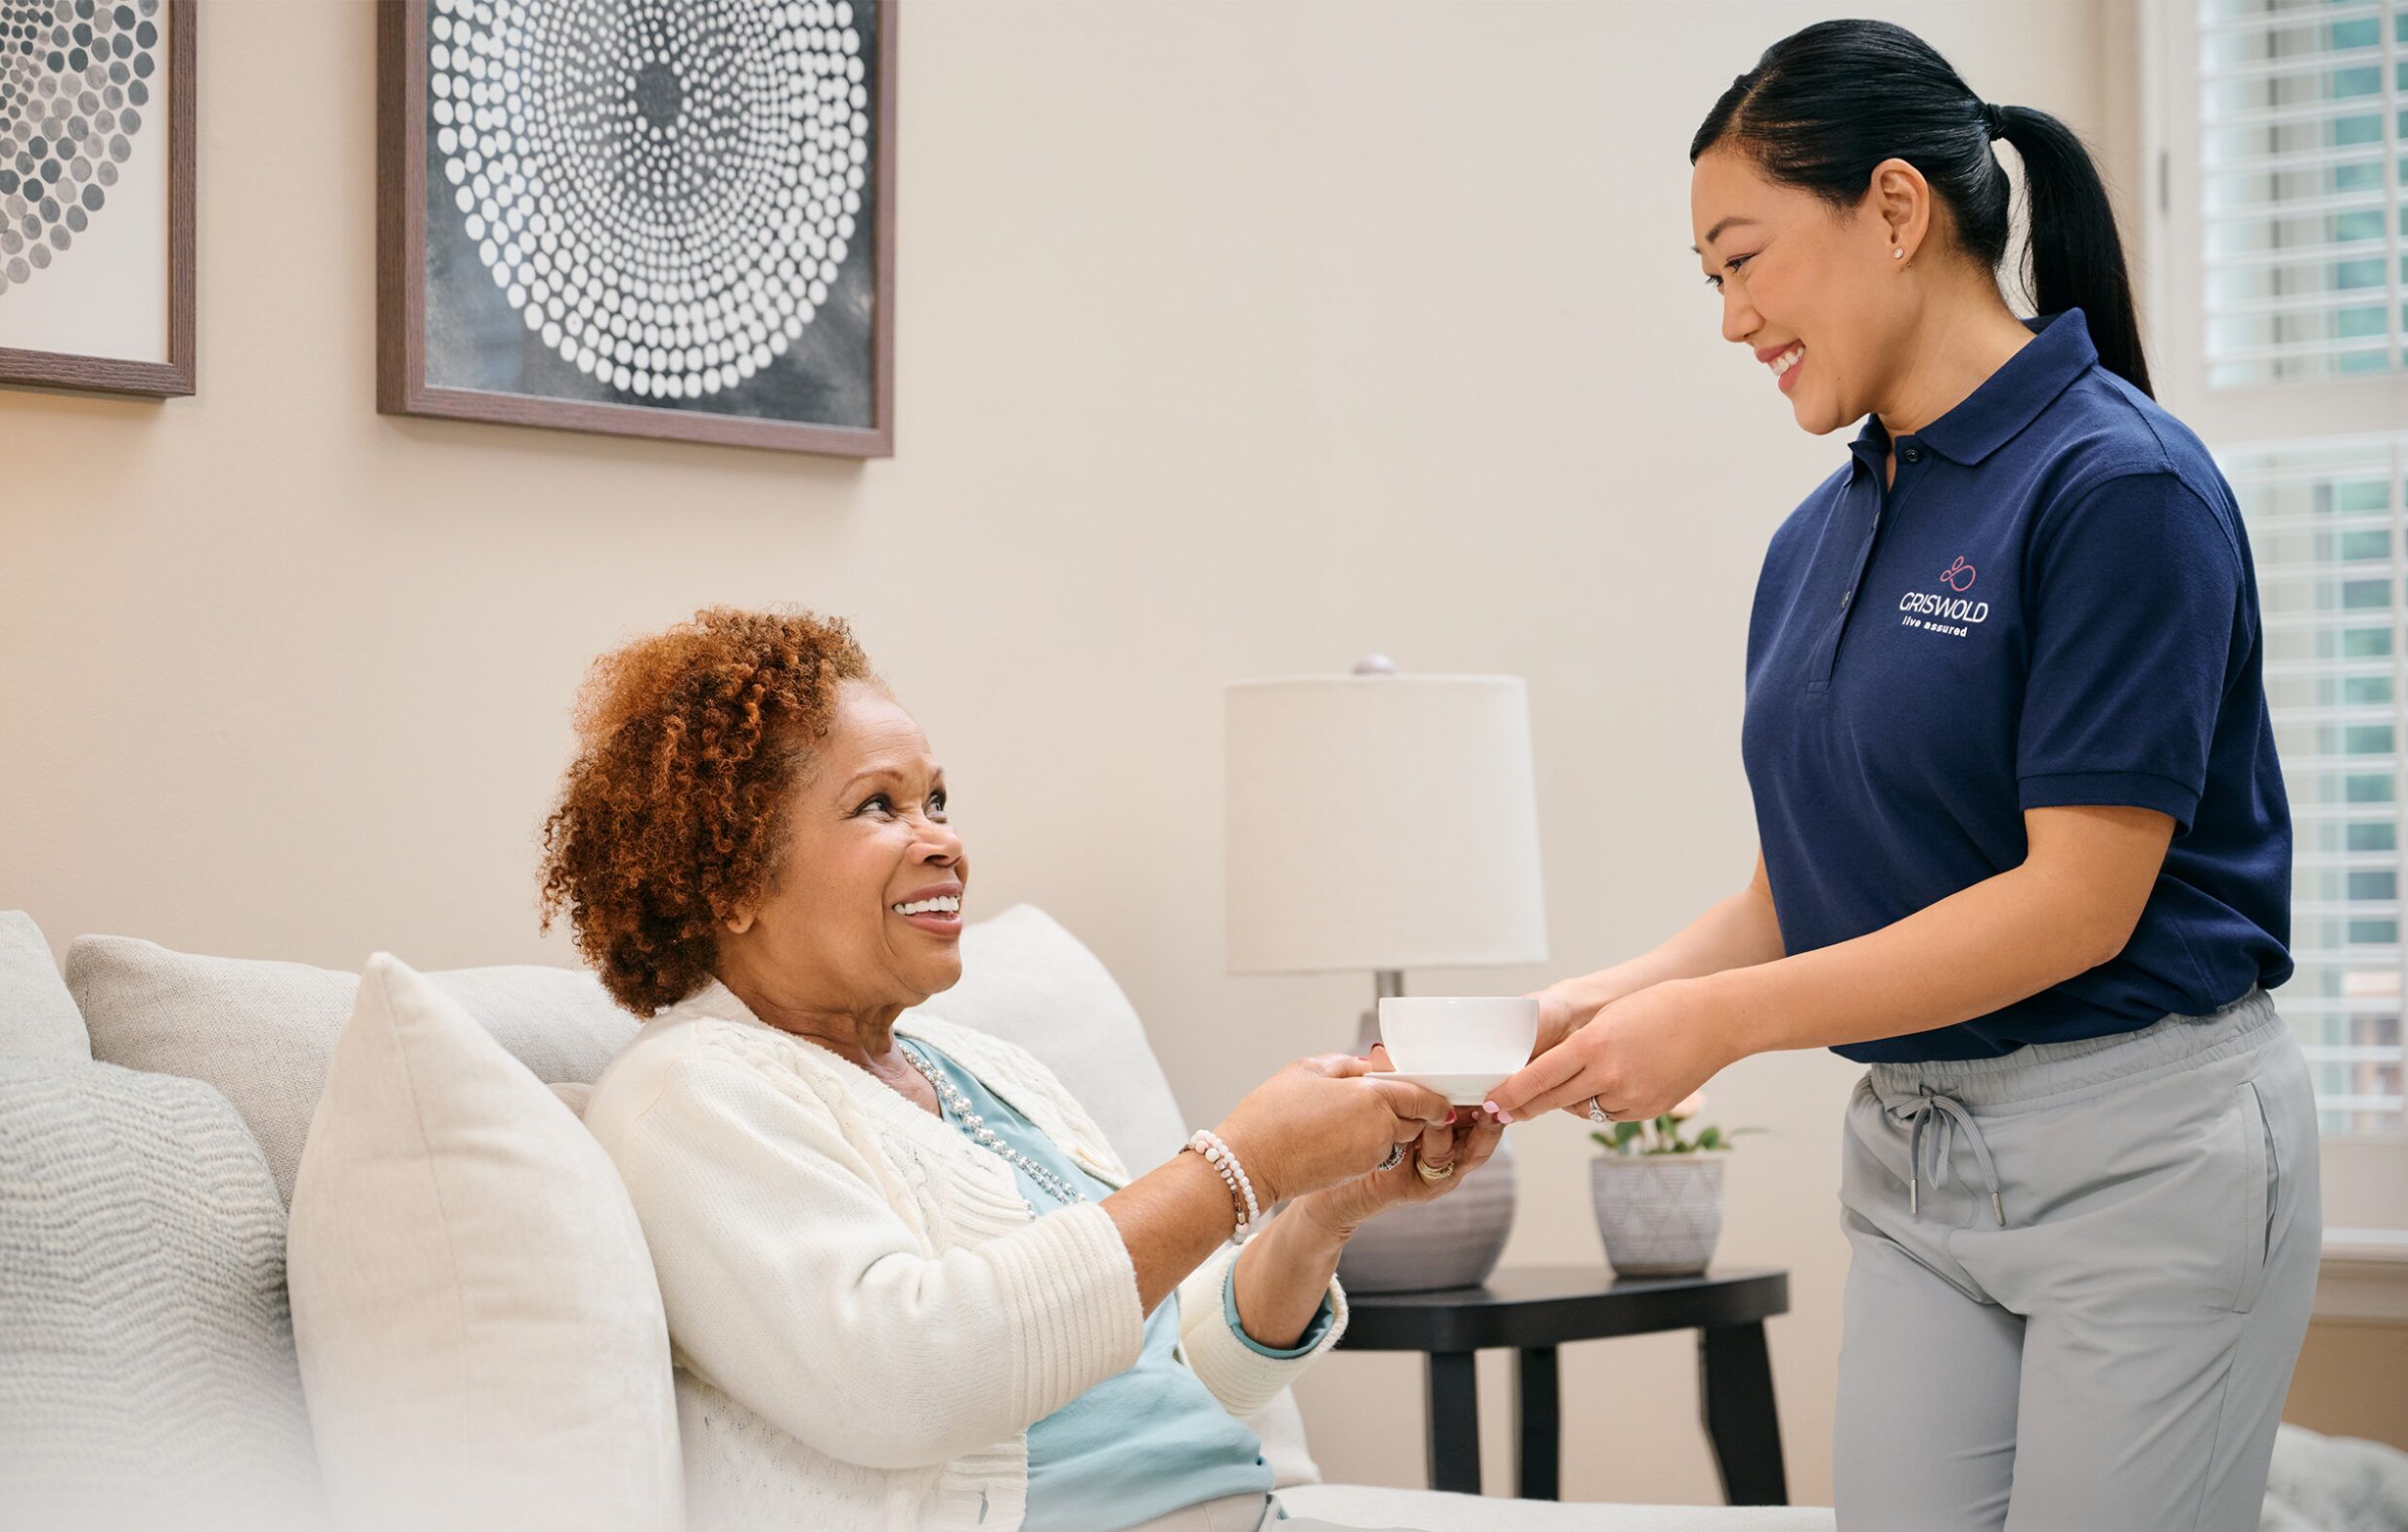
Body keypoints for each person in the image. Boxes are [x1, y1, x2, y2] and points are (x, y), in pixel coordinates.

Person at [1484, 20, 2319, 1532]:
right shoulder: (1819, 537)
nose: (1731, 317)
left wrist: (1717, 1026)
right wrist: (1595, 1005)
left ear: (1891, 207)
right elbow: (1799, 891)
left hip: (2150, 1164)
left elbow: (2075, 904)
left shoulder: (2120, 488)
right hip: (1925, 1166)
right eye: (1711, 279)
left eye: (1744, 259)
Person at [542, 608, 1504, 1532]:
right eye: (878, 805)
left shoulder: (986, 1069)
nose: (942, 841)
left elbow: (1170, 1374)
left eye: (937, 801)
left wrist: (1318, 1211)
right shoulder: (690, 1096)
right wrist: (1240, 1167)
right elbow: (912, 1379)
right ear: (732, 880)